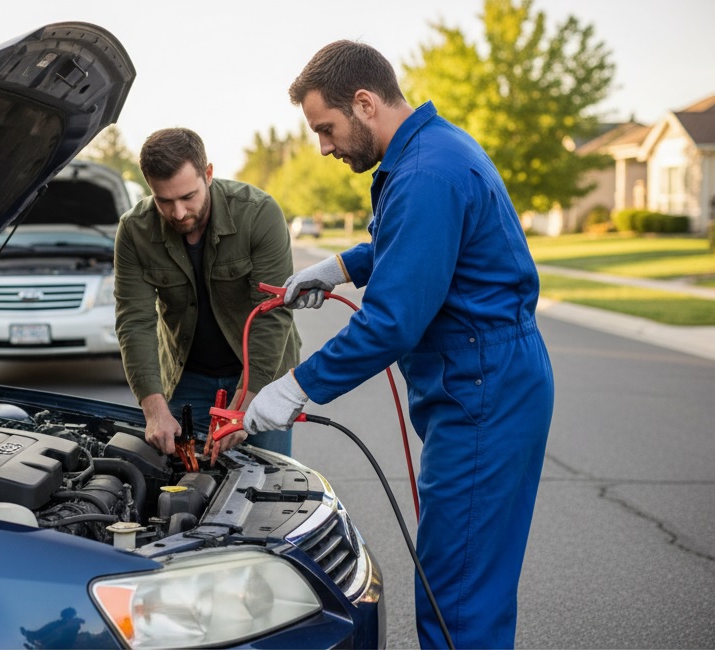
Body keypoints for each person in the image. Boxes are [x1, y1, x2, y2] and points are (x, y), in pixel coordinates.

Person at [244, 40, 555, 649]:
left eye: (326, 129)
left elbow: (390, 323)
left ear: (365, 103)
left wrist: (294, 387)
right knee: (471, 577)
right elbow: (411, 239)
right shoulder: (433, 149)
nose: (324, 147)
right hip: (491, 378)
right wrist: (338, 267)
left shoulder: (423, 173)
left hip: (483, 388)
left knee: (457, 591)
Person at [114, 127, 300, 458]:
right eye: (164, 201)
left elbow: (272, 314)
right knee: (187, 480)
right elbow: (134, 320)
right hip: (187, 379)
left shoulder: (259, 213)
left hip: (262, 377)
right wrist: (153, 408)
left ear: (208, 174)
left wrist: (243, 405)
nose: (178, 213)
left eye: (188, 197)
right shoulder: (133, 230)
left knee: (269, 475)